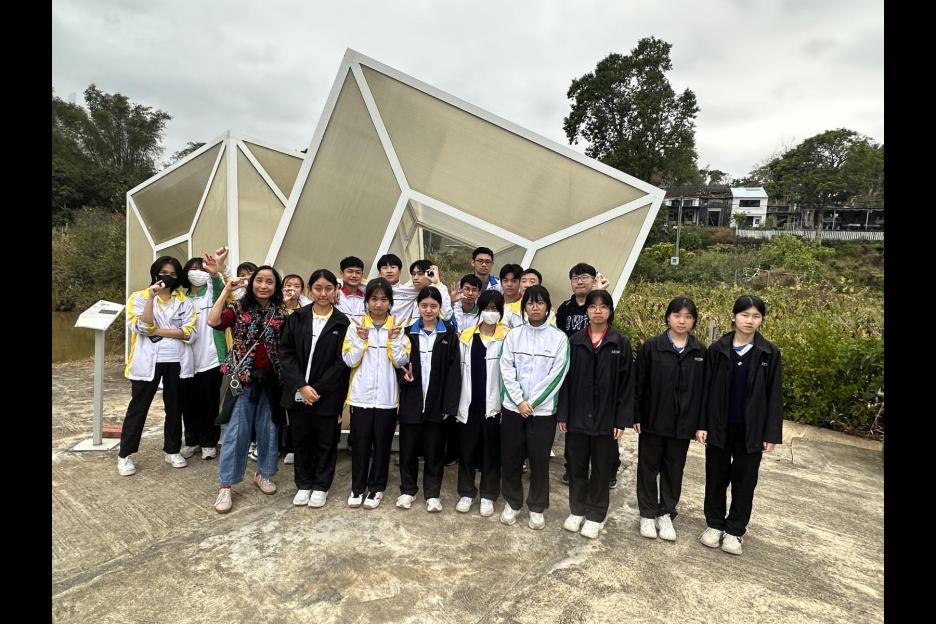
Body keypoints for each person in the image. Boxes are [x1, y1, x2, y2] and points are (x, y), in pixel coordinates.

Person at [697, 295, 783, 556]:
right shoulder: (718, 349)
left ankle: (735, 530)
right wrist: (702, 424)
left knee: (745, 482)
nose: (749, 320)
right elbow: (705, 390)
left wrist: (771, 433)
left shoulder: (769, 352)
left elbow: (774, 395)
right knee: (716, 477)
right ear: (733, 317)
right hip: (719, 426)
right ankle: (714, 524)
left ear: (761, 320)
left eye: (756, 316)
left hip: (751, 429)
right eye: (745, 315)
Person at [208, 266, 288, 513]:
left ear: (276, 287)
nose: (263, 286)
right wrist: (226, 291)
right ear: (251, 283)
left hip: (272, 380)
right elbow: (213, 321)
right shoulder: (238, 308)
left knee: (269, 428)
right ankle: (226, 486)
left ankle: (264, 473)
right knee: (236, 431)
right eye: (259, 280)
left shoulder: (281, 313)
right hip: (243, 379)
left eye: (269, 282)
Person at [557, 290, 633, 539]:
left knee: (601, 469)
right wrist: (563, 414)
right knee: (576, 466)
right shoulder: (575, 341)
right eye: (592, 306)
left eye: (603, 306)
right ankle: (577, 510)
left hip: (606, 419)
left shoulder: (619, 343)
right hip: (577, 416)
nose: (597, 311)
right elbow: (565, 380)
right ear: (587, 310)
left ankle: (595, 515)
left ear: (610, 311)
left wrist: (621, 419)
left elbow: (627, 384)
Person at [117, 256, 198, 476]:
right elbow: (142, 327)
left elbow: (189, 332)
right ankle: (125, 454)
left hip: (177, 361)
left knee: (175, 407)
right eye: (163, 273)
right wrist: (151, 299)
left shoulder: (185, 301)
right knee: (138, 408)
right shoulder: (139, 297)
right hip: (147, 362)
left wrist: (157, 331)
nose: (167, 277)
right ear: (155, 273)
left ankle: (172, 450)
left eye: (172, 274)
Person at [634, 296, 706, 542]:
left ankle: (665, 513)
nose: (681, 321)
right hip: (653, 420)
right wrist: (636, 415)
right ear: (668, 317)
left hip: (683, 424)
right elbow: (639, 383)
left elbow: (704, 391)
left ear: (694, 321)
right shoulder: (652, 346)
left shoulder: (700, 352)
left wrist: (701, 424)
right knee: (648, 468)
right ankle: (647, 513)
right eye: (677, 315)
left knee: (674, 469)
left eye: (688, 317)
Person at [498, 285, 570, 530]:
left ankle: (537, 507)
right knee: (511, 458)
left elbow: (557, 374)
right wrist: (519, 401)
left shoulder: (559, 338)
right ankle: (513, 502)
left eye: (540, 302)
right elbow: (506, 368)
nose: (535, 307)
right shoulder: (513, 336)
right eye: (530, 303)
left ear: (548, 307)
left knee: (539, 461)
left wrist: (533, 402)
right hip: (513, 408)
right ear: (524, 307)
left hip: (542, 412)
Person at [278, 269, 351, 509]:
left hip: (326, 394)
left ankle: (320, 486)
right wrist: (301, 386)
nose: (323, 293)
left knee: (325, 442)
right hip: (298, 391)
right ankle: (303, 484)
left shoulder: (342, 322)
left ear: (335, 290)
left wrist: (316, 389)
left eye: (328, 288)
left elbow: (341, 362)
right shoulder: (297, 318)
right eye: (318, 288)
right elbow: (285, 353)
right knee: (301, 440)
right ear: (310, 290)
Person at [342, 277, 410, 509]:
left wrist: (394, 340)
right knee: (360, 445)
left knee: (382, 445)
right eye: (374, 299)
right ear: (367, 301)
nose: (378, 304)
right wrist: (361, 340)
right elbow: (349, 360)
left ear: (390, 302)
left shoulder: (397, 326)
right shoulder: (356, 326)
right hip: (360, 396)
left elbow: (402, 361)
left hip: (387, 399)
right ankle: (357, 488)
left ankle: (376, 488)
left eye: (383, 299)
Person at [395, 288, 461, 512]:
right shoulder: (407, 334)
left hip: (437, 404)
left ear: (440, 308)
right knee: (408, 451)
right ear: (418, 307)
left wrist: (450, 405)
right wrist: (404, 378)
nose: (429, 310)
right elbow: (398, 364)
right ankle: (407, 490)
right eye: (424, 305)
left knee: (435, 452)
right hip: (412, 402)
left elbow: (454, 372)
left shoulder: (449, 334)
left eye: (433, 306)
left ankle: (432, 494)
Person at [555, 262, 618, 488]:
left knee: (605, 427)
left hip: (600, 366)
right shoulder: (565, 308)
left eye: (584, 277)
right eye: (575, 278)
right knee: (575, 428)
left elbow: (608, 326)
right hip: (576, 364)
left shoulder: (599, 305)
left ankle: (609, 470)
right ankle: (572, 468)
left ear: (593, 279)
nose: (579, 281)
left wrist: (600, 293)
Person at [455, 289, 508, 517]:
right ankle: (466, 492)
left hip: (494, 407)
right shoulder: (467, 336)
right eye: (487, 308)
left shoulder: (507, 337)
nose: (490, 313)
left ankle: (488, 495)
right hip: (469, 404)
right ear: (480, 310)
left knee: (491, 452)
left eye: (495, 309)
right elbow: (458, 371)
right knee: (467, 450)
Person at [178, 248, 231, 462]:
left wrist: (215, 272)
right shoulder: (181, 298)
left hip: (210, 356)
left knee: (210, 401)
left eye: (201, 269)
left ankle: (209, 442)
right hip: (186, 358)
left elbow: (220, 287)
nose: (197, 272)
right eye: (193, 268)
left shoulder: (211, 292)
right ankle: (192, 441)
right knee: (188, 402)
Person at [335, 256, 366, 320]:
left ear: (362, 275)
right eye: (350, 271)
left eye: (358, 272)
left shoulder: (367, 297)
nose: (354, 275)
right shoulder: (335, 294)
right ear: (342, 273)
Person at [498, 264, 525, 329]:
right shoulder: (494, 302)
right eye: (505, 280)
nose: (509, 284)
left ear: (520, 282)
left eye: (514, 281)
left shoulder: (526, 305)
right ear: (501, 283)